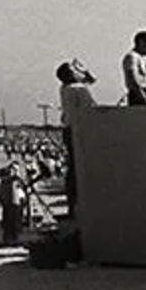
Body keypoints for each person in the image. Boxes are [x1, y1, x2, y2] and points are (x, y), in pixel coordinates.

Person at [57, 59, 97, 216]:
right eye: (75, 71)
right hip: (80, 130)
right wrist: (84, 71)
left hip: (69, 129)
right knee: (81, 167)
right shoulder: (78, 89)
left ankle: (72, 203)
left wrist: (83, 71)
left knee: (73, 167)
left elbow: (90, 80)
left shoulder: (65, 88)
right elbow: (91, 108)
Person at [122, 31, 146, 106]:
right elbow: (133, 82)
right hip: (138, 96)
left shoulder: (143, 59)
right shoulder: (131, 57)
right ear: (141, 43)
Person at [0, 163, 27, 243]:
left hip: (12, 202)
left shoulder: (12, 181)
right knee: (10, 221)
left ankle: (12, 238)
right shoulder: (7, 181)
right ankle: (10, 238)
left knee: (13, 221)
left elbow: (22, 183)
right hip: (9, 203)